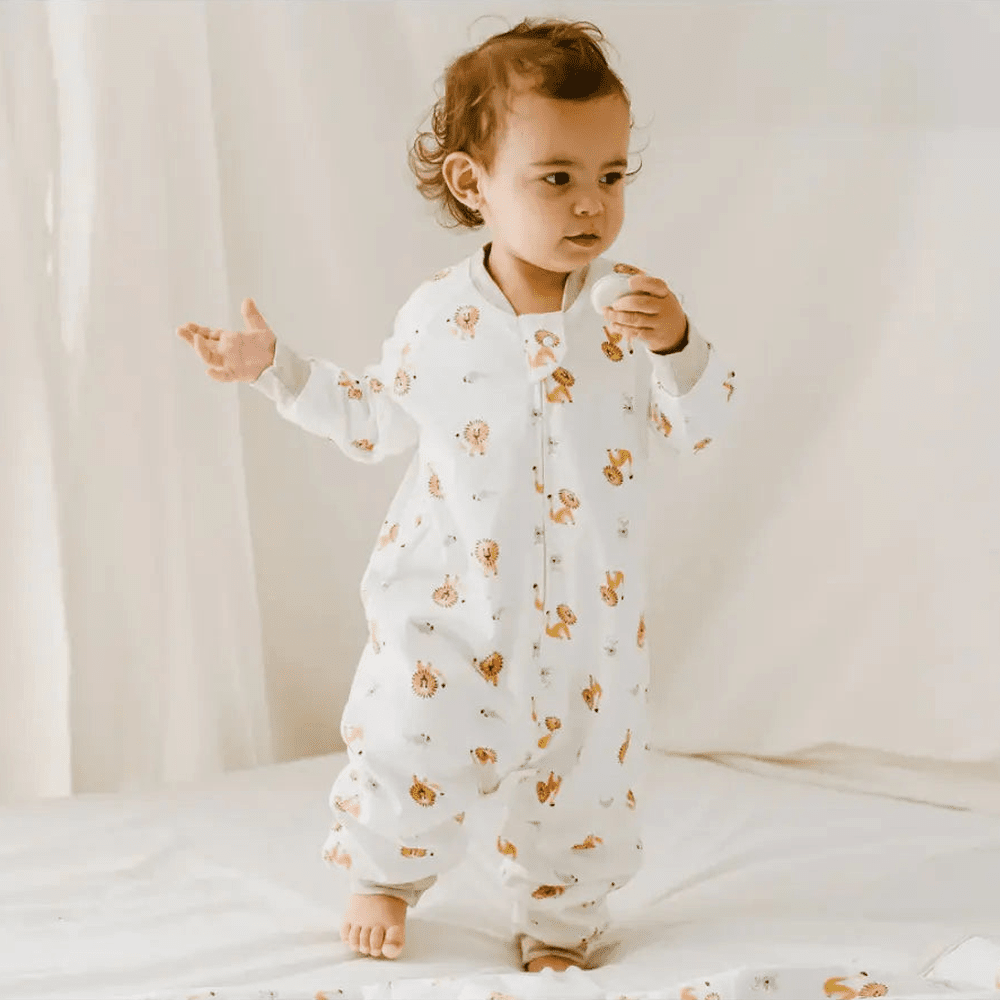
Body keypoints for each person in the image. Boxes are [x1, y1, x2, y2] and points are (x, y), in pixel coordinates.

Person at [177, 16, 739, 975]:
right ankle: (384, 874)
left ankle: (561, 923)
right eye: (556, 177)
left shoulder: (631, 312)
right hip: (453, 606)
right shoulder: (441, 316)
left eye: (611, 176)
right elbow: (373, 418)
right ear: (473, 184)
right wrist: (277, 368)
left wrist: (681, 345)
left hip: (590, 626)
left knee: (587, 778)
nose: (591, 204)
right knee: (412, 740)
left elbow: (703, 424)